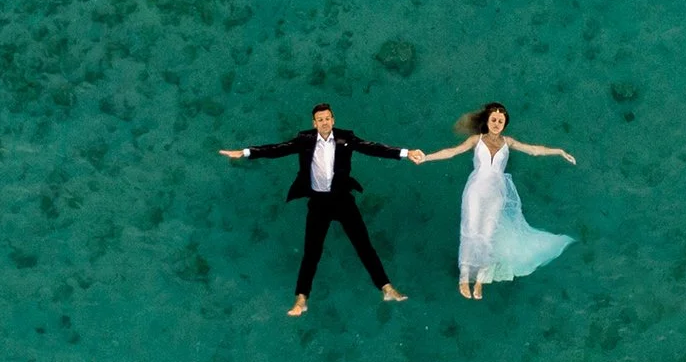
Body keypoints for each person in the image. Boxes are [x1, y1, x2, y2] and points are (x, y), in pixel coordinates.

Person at [219, 104, 418, 317]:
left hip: (342, 201)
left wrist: (406, 153)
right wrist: (247, 152)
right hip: (318, 203)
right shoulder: (305, 140)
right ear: (314, 124)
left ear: (333, 120)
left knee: (364, 246)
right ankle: (301, 298)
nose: (324, 122)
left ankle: (386, 288)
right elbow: (278, 149)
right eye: (319, 120)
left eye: (327, 118)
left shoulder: (346, 138)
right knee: (311, 253)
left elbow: (373, 148)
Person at [409, 102, 576, 299]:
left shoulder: (508, 142)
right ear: (487, 121)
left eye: (501, 121)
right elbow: (451, 152)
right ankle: (464, 278)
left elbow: (534, 150)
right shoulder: (475, 140)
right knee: (470, 230)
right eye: (494, 120)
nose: (497, 123)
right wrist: (426, 157)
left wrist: (559, 151)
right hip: (476, 189)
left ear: (505, 125)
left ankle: (480, 280)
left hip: (497, 192)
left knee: (487, 235)